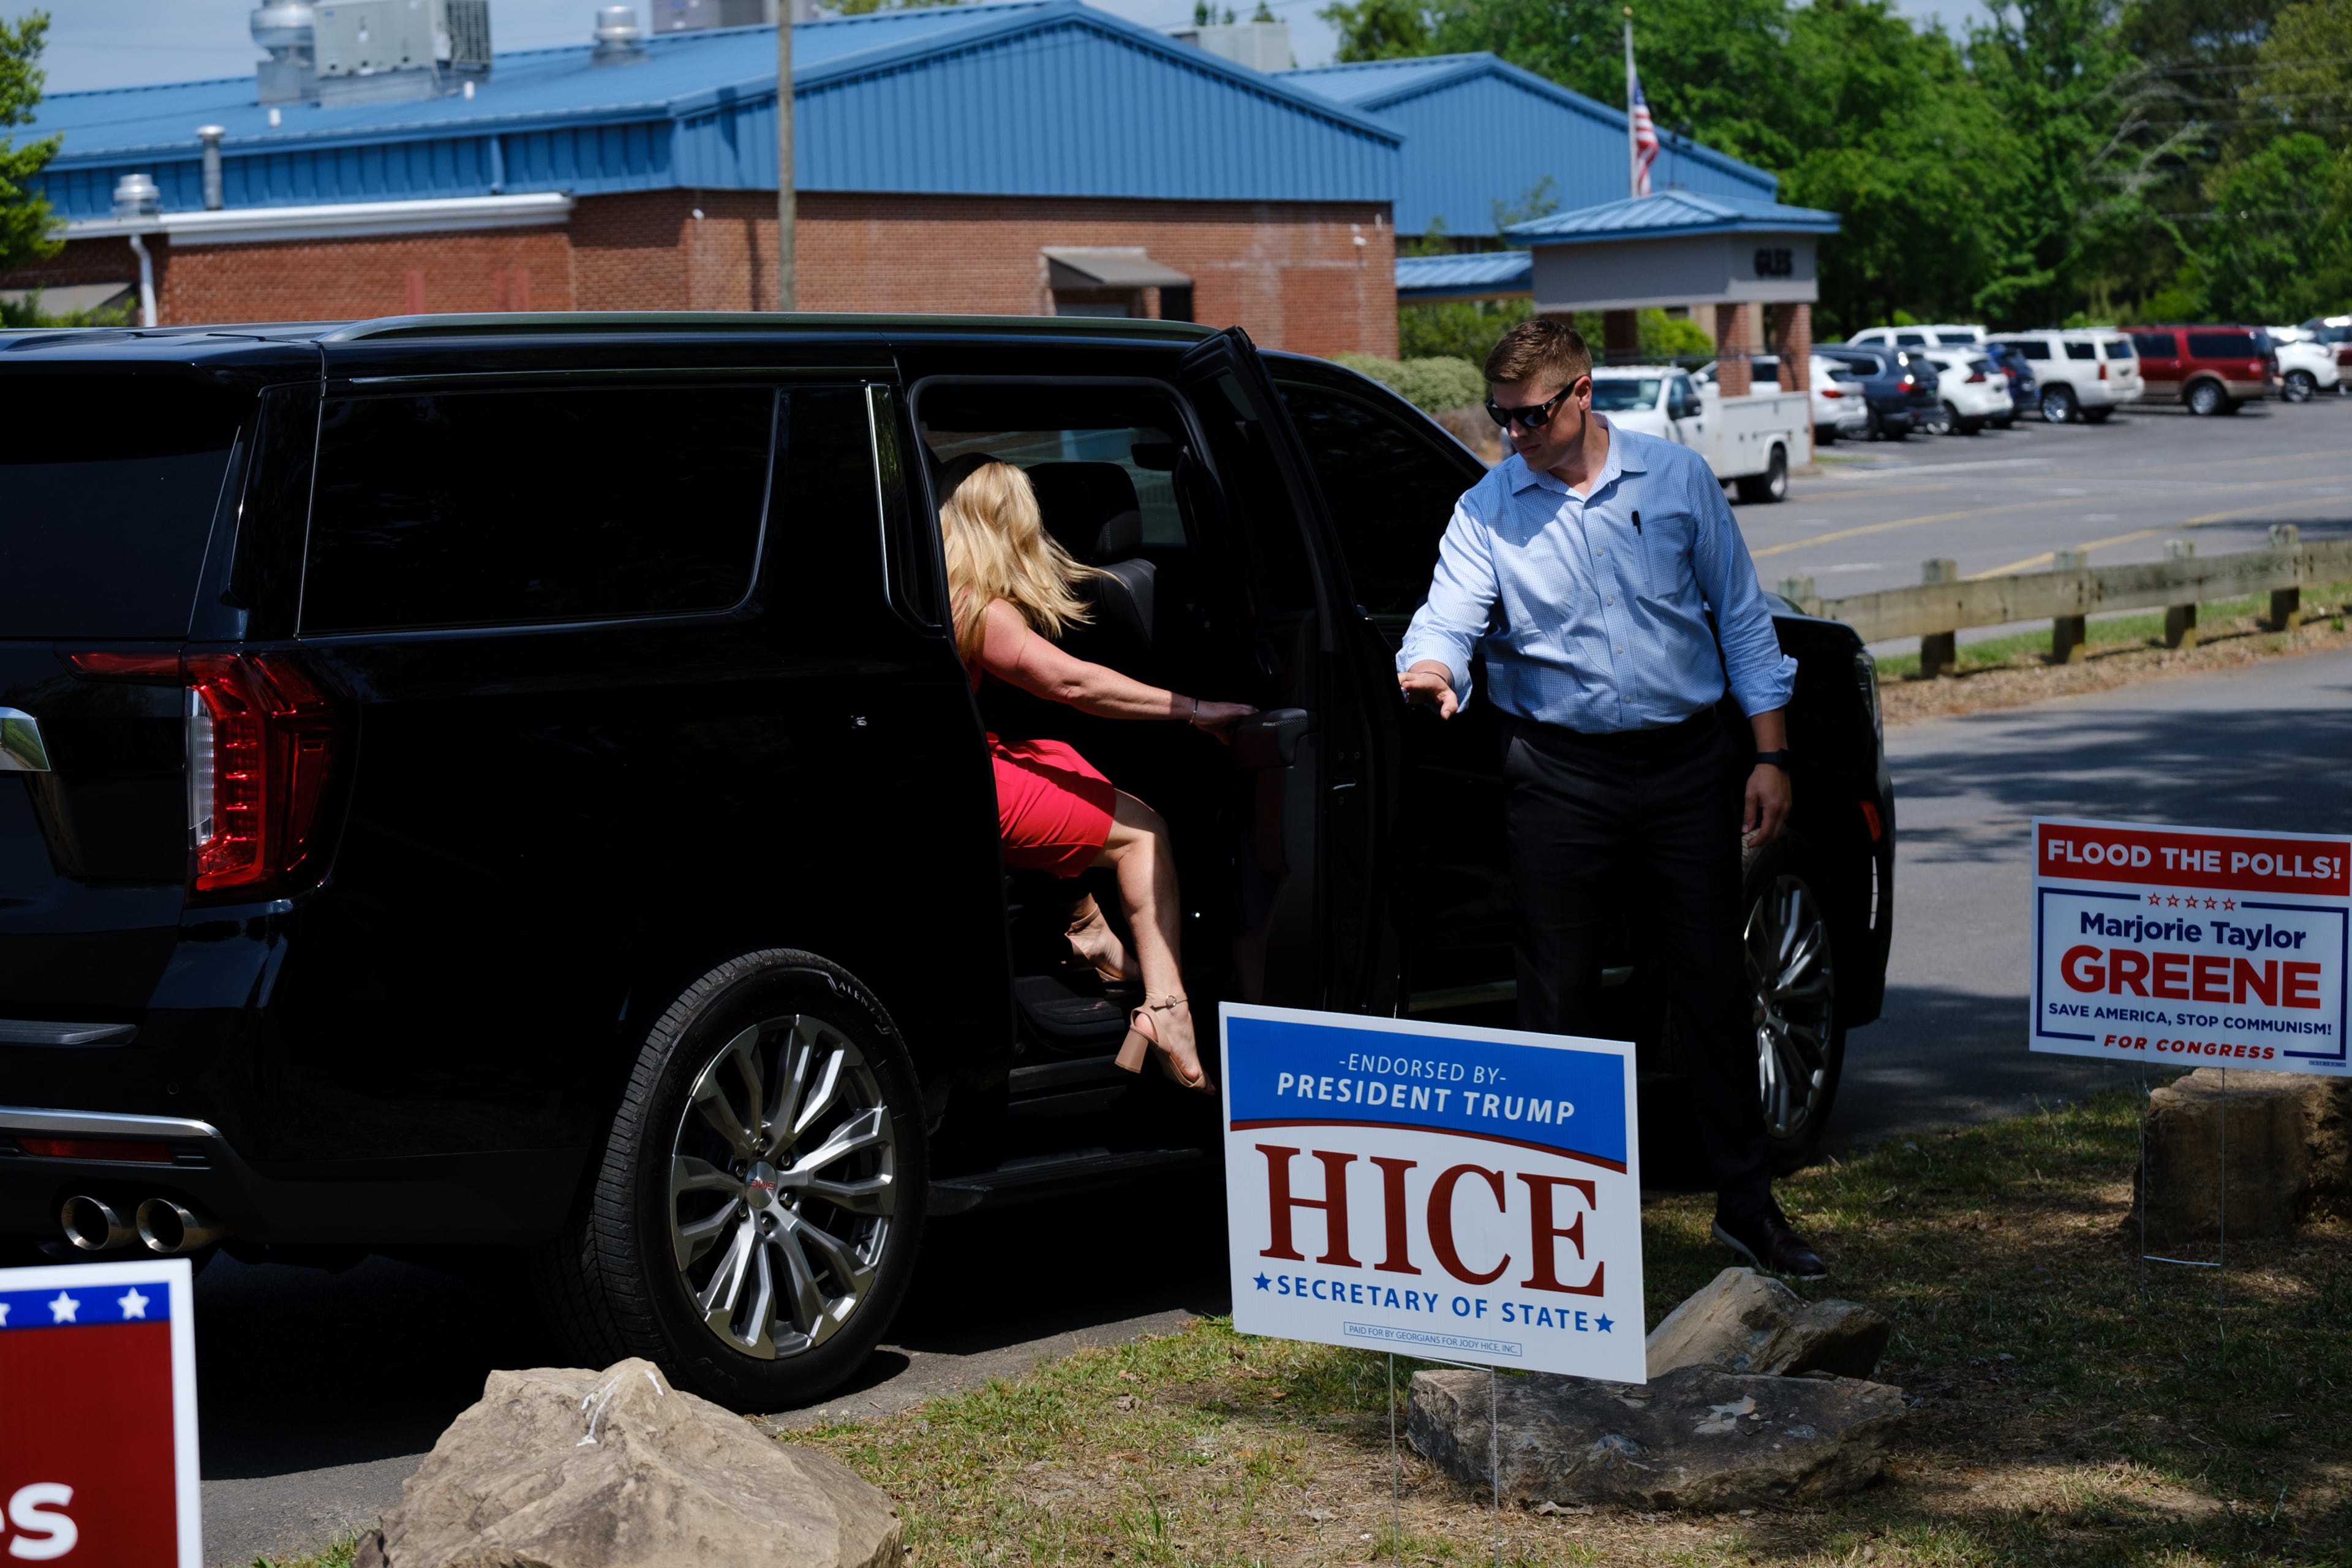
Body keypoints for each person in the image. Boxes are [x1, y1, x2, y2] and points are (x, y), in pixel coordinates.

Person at [1394, 318, 1827, 1279]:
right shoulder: (1487, 508)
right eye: (1501, 418)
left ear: (1582, 393)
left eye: (1530, 416)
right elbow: (1447, 615)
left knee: (1713, 987)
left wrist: (1771, 754)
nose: (1514, 434)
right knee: (1558, 1004)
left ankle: (1747, 1207)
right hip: (1560, 775)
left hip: (1688, 764)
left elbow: (1743, 619)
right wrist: (1431, 666)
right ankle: (1561, 1228)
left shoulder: (1676, 481)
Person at [938, 457, 1254, 1093]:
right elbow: (1073, 684)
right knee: (1145, 833)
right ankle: (1168, 1010)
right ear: (1007, 523)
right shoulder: (977, 607)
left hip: (947, 762)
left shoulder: (928, 587)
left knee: (1058, 757)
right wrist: (1197, 711)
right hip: (963, 786)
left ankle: (1088, 928)